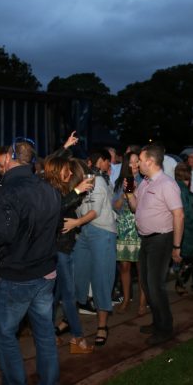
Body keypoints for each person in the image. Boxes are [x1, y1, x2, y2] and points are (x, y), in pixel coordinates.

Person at [0, 137, 61, 385]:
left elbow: (1, 235)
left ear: (11, 157)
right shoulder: (48, 187)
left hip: (20, 277)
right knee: (45, 334)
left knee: (3, 333)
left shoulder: (9, 189)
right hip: (46, 273)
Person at [125, 144, 184, 345]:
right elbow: (135, 207)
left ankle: (165, 329)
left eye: (140, 160)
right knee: (146, 283)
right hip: (147, 240)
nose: (138, 163)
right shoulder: (146, 182)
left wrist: (177, 246)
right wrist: (130, 191)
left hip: (162, 239)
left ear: (150, 161)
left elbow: (179, 214)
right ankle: (158, 322)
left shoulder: (167, 184)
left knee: (155, 285)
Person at [44, 156, 94, 354]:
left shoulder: (62, 189)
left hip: (65, 247)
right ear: (58, 171)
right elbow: (56, 208)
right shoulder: (51, 191)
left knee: (55, 295)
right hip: (59, 250)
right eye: (67, 170)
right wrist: (76, 191)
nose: (71, 173)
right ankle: (77, 338)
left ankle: (49, 334)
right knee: (69, 295)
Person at [73, 148, 117, 346]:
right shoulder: (76, 186)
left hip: (102, 231)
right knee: (77, 276)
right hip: (84, 231)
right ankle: (70, 321)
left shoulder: (97, 181)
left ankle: (102, 326)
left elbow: (95, 212)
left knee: (101, 278)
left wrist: (74, 223)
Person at [112, 151, 147, 314]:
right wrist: (125, 197)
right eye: (131, 162)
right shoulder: (121, 182)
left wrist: (136, 193)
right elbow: (115, 206)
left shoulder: (146, 181)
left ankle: (142, 302)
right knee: (124, 267)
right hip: (124, 228)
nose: (134, 165)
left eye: (136, 162)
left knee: (141, 267)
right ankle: (126, 299)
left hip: (140, 227)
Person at [173, 162, 193, 296]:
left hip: (178, 230)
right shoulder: (187, 195)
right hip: (189, 232)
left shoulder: (174, 189)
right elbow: (191, 216)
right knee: (190, 259)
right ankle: (181, 284)